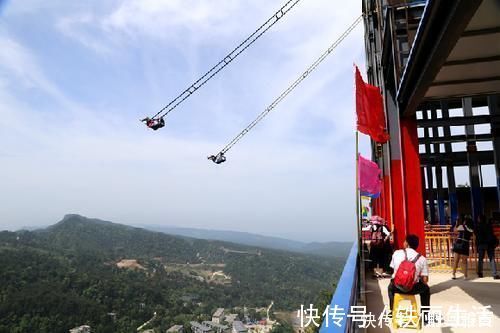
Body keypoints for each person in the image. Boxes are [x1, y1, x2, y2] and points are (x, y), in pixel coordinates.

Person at [388, 234, 430, 321]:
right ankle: (426, 316)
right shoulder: (422, 259)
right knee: (426, 289)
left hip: (397, 287)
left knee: (390, 287)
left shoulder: (396, 253)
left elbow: (393, 270)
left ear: (406, 243)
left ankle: (392, 311)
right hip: (412, 289)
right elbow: (425, 280)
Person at [475, 215, 499, 279]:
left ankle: (480, 273)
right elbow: (492, 235)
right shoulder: (489, 226)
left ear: (480, 219)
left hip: (481, 244)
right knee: (492, 259)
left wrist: (476, 246)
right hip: (489, 244)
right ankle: (494, 274)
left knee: (480, 259)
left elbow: (476, 237)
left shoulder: (477, 226)